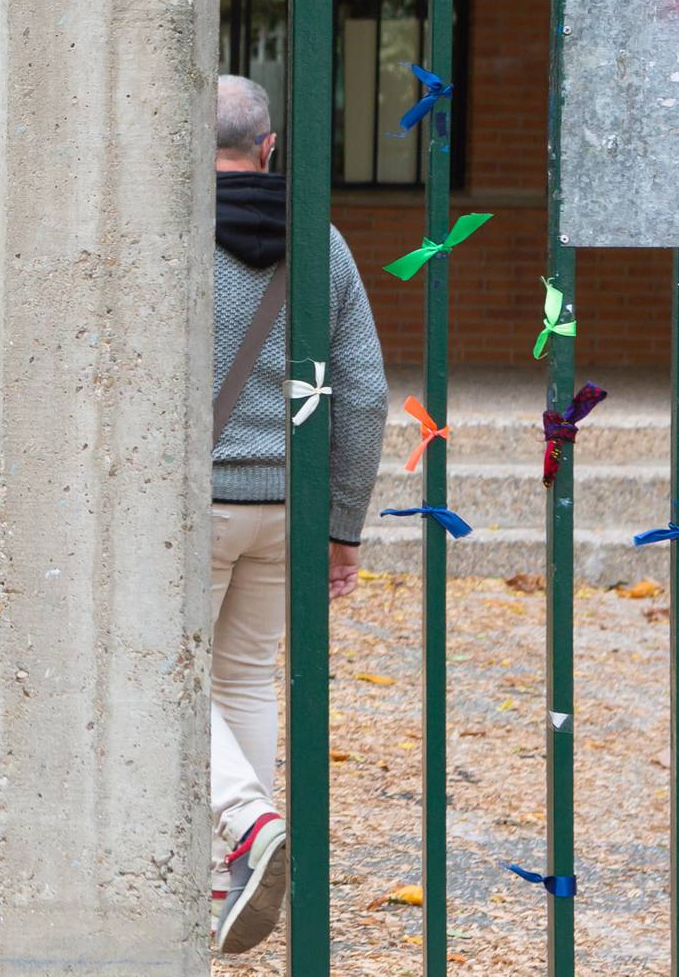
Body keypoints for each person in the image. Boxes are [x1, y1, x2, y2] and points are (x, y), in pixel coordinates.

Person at [207, 75, 386, 953]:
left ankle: (241, 824)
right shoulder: (322, 242)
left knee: (163, 675)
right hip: (289, 504)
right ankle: (231, 867)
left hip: (187, 505)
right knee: (241, 678)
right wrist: (342, 525)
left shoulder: (165, 241)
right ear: (270, 147)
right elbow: (365, 394)